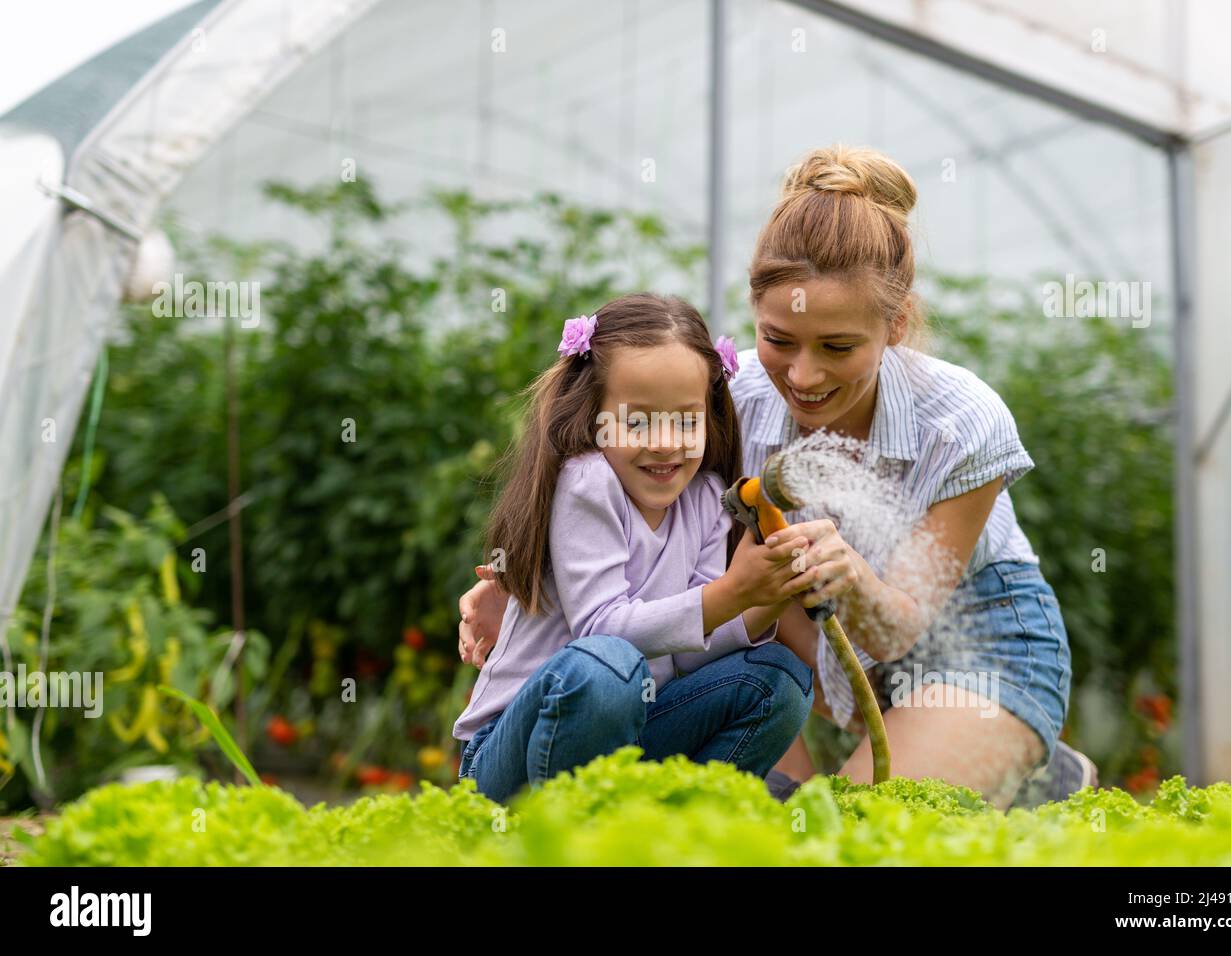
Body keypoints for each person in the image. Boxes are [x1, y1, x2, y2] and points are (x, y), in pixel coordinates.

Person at [462, 146, 1097, 810]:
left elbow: (889, 635)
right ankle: (971, 781)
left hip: (975, 642)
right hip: (805, 636)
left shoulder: (962, 421)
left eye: (838, 348)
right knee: (771, 818)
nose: (802, 376)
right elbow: (639, 522)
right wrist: (525, 586)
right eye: (779, 340)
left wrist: (849, 575)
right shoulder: (732, 398)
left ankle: (1014, 768)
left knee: (862, 828)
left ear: (897, 325)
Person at [452, 292, 814, 804]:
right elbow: (602, 629)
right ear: (592, 417)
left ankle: (669, 829)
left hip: (627, 738)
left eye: (686, 420)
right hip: (511, 759)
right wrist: (733, 592)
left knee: (779, 679)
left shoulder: (708, 497)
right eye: (637, 420)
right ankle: (560, 840)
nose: (665, 442)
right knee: (606, 668)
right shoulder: (588, 480)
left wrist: (770, 593)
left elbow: (690, 653)